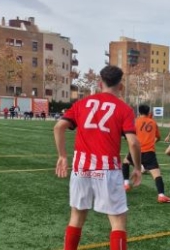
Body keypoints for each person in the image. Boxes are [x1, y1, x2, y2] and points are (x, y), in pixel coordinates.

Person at [54, 65, 142, 250]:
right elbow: (133, 142)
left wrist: (62, 155)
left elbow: (59, 126)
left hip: (81, 168)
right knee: (118, 221)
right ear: (121, 86)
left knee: (76, 218)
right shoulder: (124, 109)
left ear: (100, 83)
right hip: (107, 169)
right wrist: (136, 168)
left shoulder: (82, 103)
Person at [122, 104, 170, 203]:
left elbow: (129, 135)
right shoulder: (153, 122)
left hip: (136, 151)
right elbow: (158, 137)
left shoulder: (135, 121)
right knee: (156, 174)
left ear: (139, 112)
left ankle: (126, 184)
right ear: (148, 112)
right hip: (149, 152)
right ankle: (161, 195)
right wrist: (152, 142)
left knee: (125, 162)